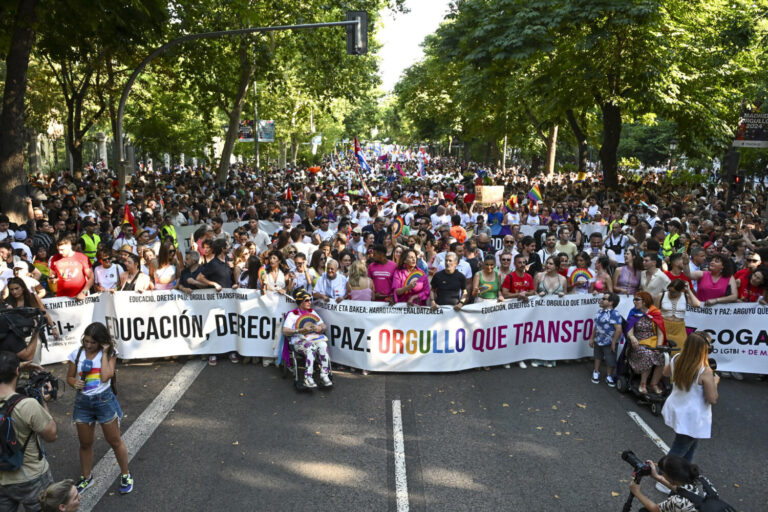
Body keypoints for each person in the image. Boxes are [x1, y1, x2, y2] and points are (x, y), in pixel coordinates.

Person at [66, 322, 132, 495]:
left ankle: (125, 474)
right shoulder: (76, 354)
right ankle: (86, 477)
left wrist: (104, 352)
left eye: (93, 342)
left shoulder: (110, 353)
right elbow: (69, 378)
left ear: (101, 342)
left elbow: (105, 376)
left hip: (104, 402)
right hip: (83, 403)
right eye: (86, 341)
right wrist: (75, 383)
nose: (88, 345)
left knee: (115, 441)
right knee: (85, 443)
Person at [0, 352, 57, 512]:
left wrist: (18, 366)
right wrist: (43, 403)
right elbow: (51, 434)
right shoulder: (27, 405)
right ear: (17, 372)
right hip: (31, 477)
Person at [661, 332, 719, 465]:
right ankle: (664, 478)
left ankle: (683, 477)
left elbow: (665, 372)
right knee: (679, 449)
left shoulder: (676, 358)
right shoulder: (705, 371)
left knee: (690, 447)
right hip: (693, 416)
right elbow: (712, 398)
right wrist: (715, 382)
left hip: (678, 408)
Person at [282, 289, 332, 389]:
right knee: (311, 347)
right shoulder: (293, 314)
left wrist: (320, 328)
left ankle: (324, 375)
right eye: (307, 300)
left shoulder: (312, 312)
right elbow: (285, 331)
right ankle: (308, 377)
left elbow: (324, 326)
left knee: (323, 345)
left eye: (310, 300)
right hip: (298, 341)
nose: (310, 302)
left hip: (313, 338)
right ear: (300, 302)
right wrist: (299, 330)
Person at [2, 277, 59, 363]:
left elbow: (44, 312)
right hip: (16, 337)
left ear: (23, 288)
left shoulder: (32, 298)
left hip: (33, 333)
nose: (14, 292)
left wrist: (53, 327)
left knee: (35, 361)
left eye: (17, 288)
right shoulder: (8, 302)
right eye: (11, 289)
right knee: (21, 365)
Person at [626, 291, 667, 395]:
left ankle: (654, 384)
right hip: (638, 343)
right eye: (634, 299)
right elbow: (629, 331)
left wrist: (659, 346)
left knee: (662, 355)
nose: (634, 301)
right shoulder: (634, 313)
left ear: (644, 302)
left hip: (653, 343)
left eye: (637, 299)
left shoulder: (655, 313)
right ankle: (643, 383)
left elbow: (660, 334)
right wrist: (632, 337)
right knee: (648, 354)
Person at [629, 456, 704, 512]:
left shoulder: (678, 501)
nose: (661, 474)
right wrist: (657, 476)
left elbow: (656, 509)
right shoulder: (700, 479)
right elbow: (684, 491)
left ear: (671, 477)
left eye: (662, 472)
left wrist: (636, 492)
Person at [654, 280, 700, 354]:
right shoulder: (661, 295)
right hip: (664, 326)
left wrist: (688, 291)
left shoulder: (685, 296)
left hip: (679, 328)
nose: (671, 293)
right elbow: (655, 312)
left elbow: (697, 304)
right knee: (663, 353)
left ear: (681, 291)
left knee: (681, 351)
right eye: (670, 290)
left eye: (674, 292)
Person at [589, 293, 622, 386]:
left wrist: (613, 342)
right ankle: (596, 372)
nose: (601, 300)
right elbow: (596, 326)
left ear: (611, 302)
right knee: (597, 356)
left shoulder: (614, 314)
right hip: (599, 339)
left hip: (609, 341)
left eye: (604, 299)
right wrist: (592, 338)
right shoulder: (599, 311)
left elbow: (618, 330)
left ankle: (609, 376)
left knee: (610, 359)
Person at [48, 235, 94, 300]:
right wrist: (52, 279)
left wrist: (83, 293)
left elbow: (91, 278)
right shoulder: (54, 258)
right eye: (58, 250)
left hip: (79, 297)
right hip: (61, 298)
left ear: (69, 246)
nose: (60, 252)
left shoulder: (82, 257)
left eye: (62, 250)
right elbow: (52, 275)